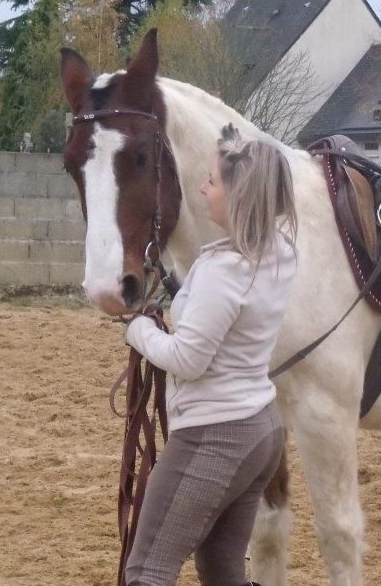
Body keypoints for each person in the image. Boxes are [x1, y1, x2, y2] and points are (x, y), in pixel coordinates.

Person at [123, 125, 298, 586]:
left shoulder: (224, 270)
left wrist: (140, 332)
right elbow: (228, 316)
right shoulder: (278, 252)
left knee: (147, 571)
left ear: (239, 196)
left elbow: (188, 359)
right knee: (221, 568)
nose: (203, 187)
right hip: (261, 430)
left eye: (213, 181)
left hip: (215, 435)